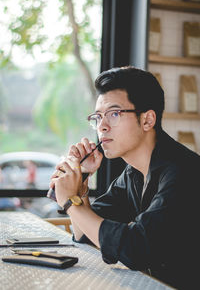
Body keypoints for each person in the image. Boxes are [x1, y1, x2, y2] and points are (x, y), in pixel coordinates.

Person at [50, 66, 199, 289]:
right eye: (98, 117)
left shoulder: (185, 172)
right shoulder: (133, 173)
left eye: (114, 113)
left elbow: (137, 248)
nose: (102, 126)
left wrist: (70, 203)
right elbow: (88, 234)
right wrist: (80, 185)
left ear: (147, 120)